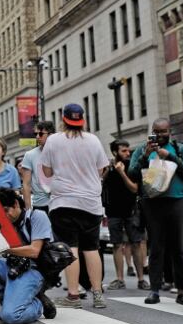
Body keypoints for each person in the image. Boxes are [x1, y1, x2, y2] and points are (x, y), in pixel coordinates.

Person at [40, 104, 109, 309]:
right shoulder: (94, 140)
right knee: (91, 248)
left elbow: (47, 170)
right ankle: (97, 294)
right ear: (82, 121)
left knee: (70, 248)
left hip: (63, 202)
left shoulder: (53, 140)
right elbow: (102, 168)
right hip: (90, 202)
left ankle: (73, 295)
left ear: (63, 120)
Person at [127, 118, 183, 305]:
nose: (159, 135)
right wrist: (144, 156)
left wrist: (170, 157)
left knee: (179, 248)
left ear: (169, 131)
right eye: (156, 131)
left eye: (163, 131)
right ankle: (154, 290)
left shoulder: (181, 149)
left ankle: (182, 290)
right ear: (151, 131)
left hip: (177, 201)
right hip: (152, 203)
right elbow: (132, 174)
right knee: (156, 248)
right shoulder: (143, 149)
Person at [0, 188, 56, 324]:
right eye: (0, 214)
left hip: (34, 271)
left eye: (6, 210)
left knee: (10, 317)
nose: (5, 216)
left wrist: (5, 249)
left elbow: (34, 251)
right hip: (13, 266)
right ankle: (12, 300)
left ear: (16, 204)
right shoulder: (3, 224)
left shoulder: (37, 216)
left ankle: (38, 305)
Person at [103, 140, 146, 291]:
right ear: (115, 152)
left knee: (136, 243)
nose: (128, 154)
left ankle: (141, 279)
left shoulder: (131, 167)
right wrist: (108, 170)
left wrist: (122, 173)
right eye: (124, 151)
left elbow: (134, 188)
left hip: (131, 210)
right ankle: (119, 279)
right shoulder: (108, 167)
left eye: (128, 151)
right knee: (116, 244)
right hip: (113, 211)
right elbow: (99, 182)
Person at [20, 121, 54, 212]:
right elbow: (26, 184)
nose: (37, 136)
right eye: (36, 134)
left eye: (41, 134)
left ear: (51, 135)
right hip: (39, 204)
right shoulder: (30, 155)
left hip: (59, 204)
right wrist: (28, 210)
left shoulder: (60, 152)